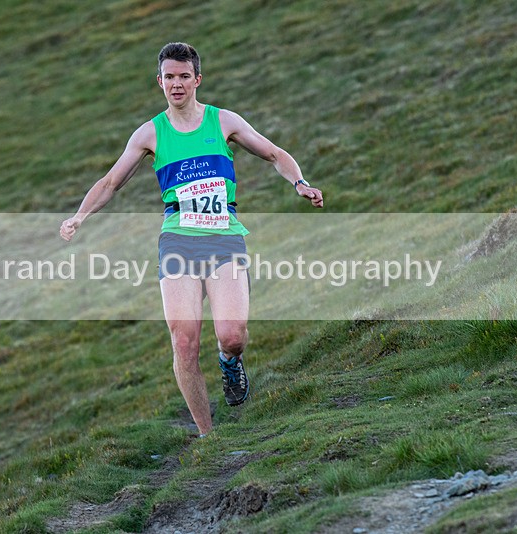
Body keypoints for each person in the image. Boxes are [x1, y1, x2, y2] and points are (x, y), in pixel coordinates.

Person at [60, 42, 323, 436]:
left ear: (197, 79)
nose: (177, 84)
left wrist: (299, 182)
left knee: (232, 336)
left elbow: (273, 154)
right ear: (160, 82)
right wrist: (80, 215)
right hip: (178, 241)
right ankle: (208, 436)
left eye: (184, 76)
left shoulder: (223, 122)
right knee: (184, 343)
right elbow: (112, 182)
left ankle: (229, 361)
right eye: (169, 77)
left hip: (223, 238)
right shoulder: (150, 133)